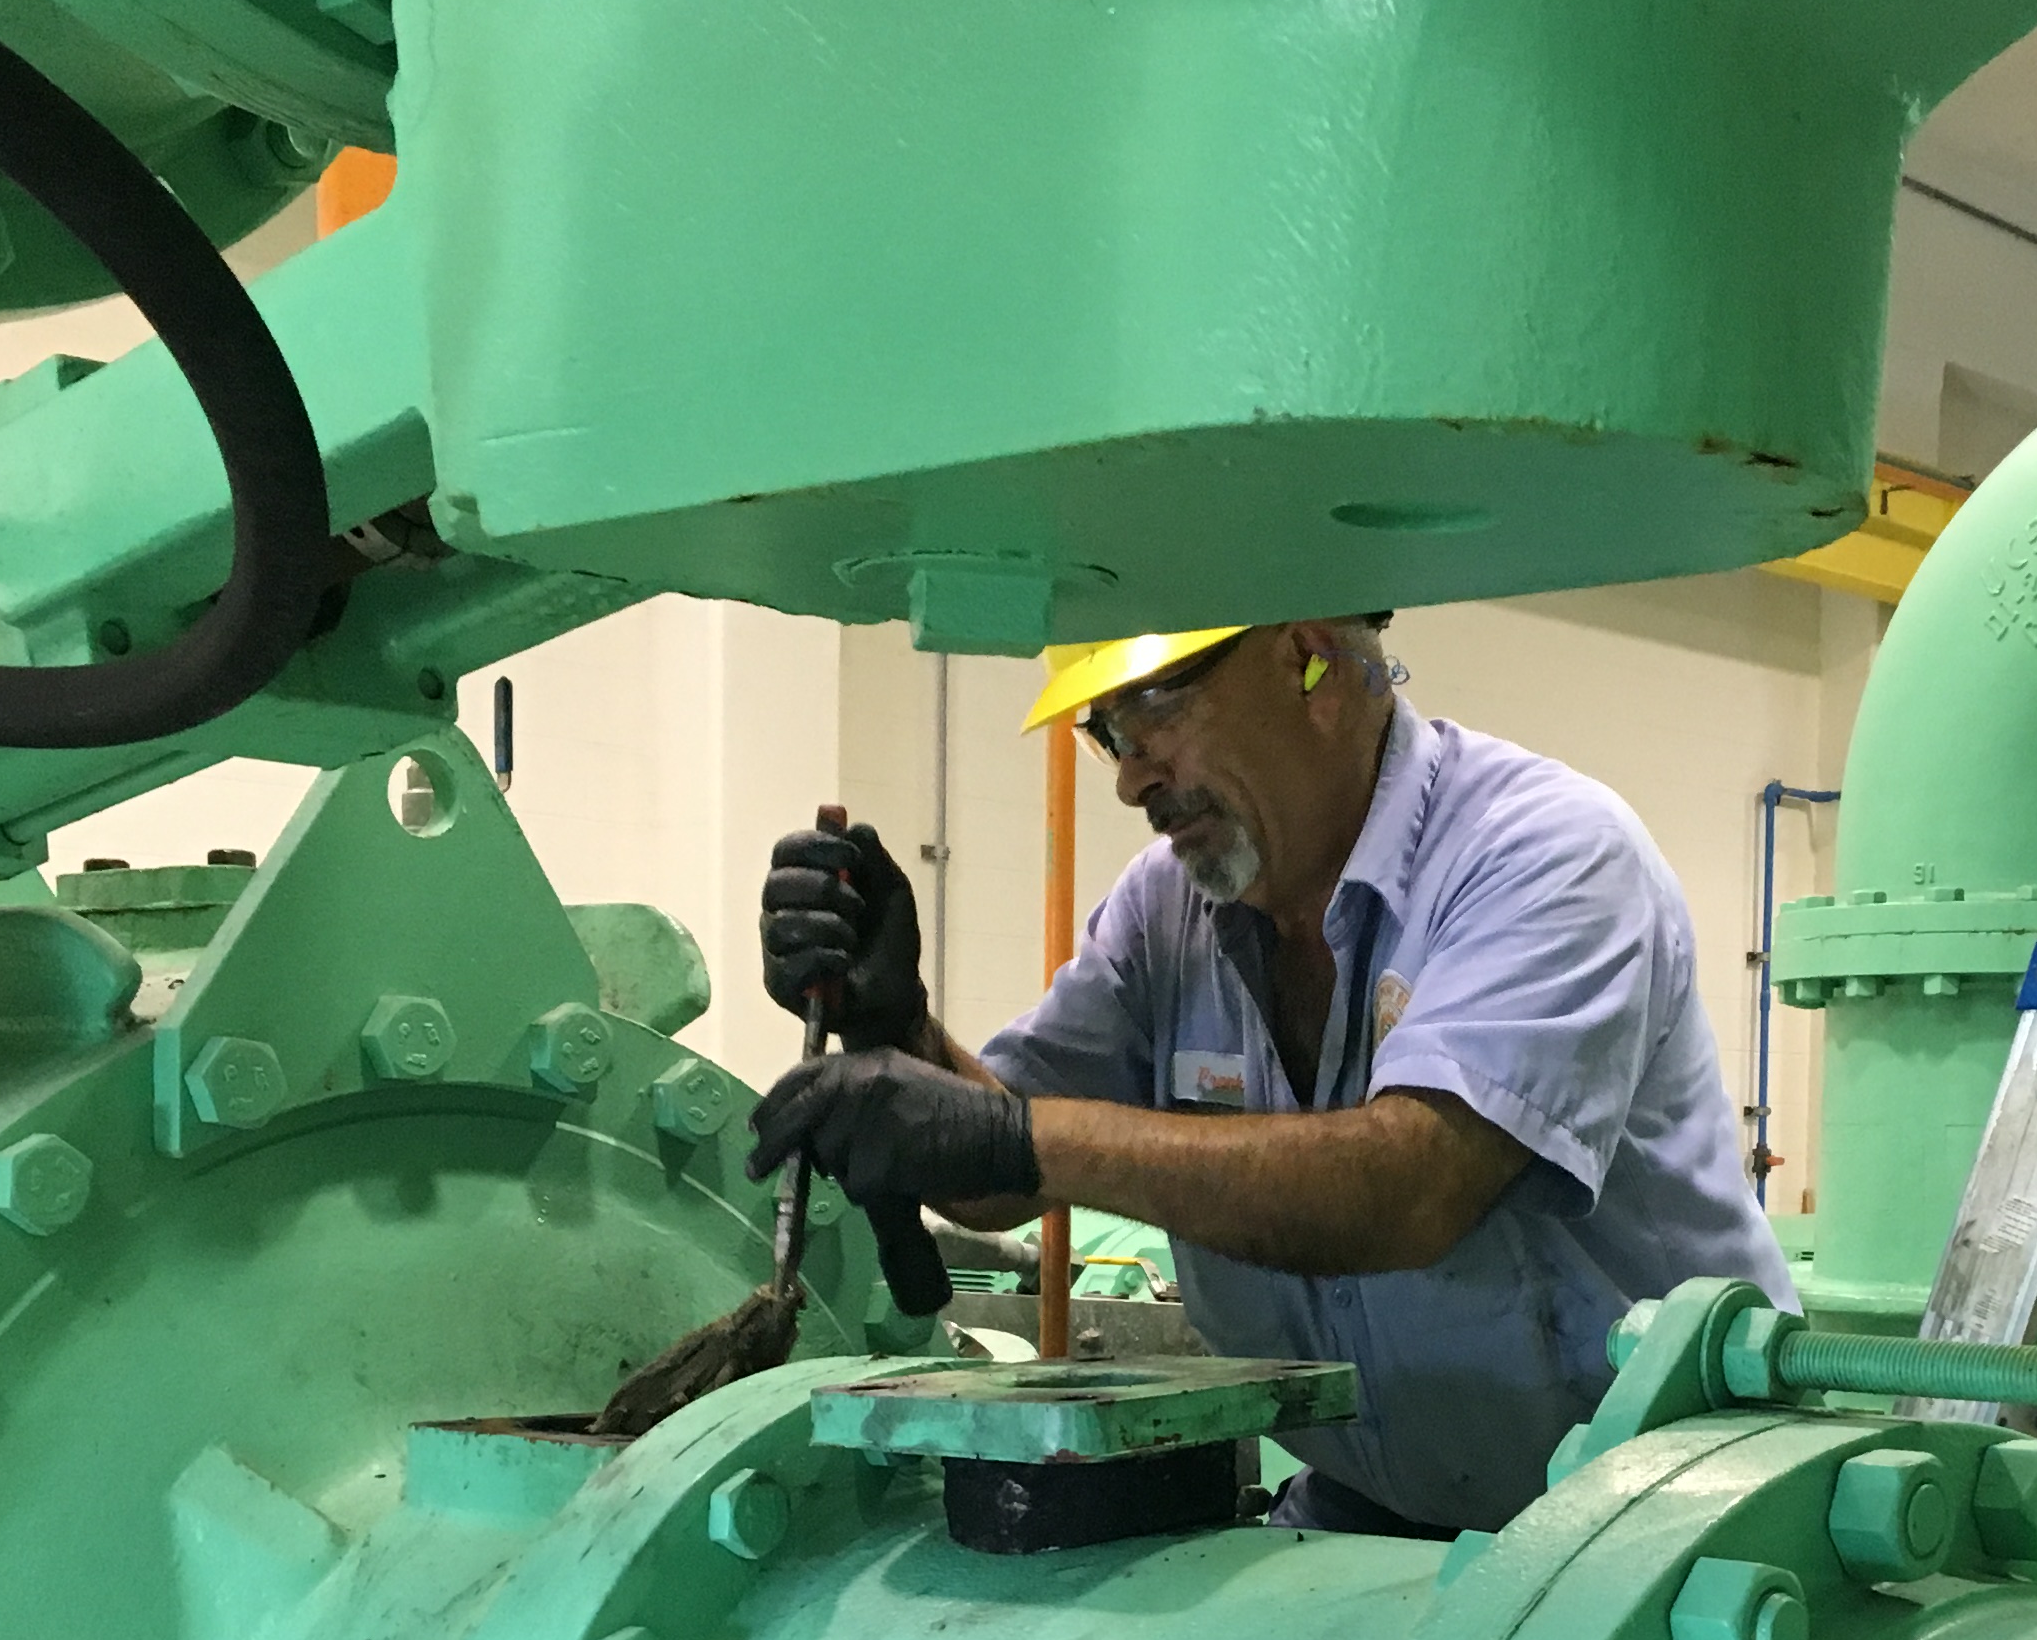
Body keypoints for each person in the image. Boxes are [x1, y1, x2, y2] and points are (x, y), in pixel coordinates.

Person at [745, 617, 1795, 1534]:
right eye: (1106, 730)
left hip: (1662, 1523)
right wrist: (902, 1031)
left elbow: (1410, 1188)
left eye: (1155, 708)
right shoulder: (1166, 912)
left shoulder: (1544, 853)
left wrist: (1008, 1134)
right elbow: (998, 1172)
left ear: (1308, 663)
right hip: (1376, 1511)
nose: (1128, 774)